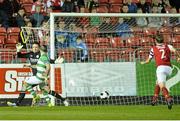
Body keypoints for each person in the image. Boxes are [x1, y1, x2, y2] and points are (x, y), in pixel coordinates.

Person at [7, 42, 68, 107]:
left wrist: (56, 61)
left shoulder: (42, 55)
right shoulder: (30, 54)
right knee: (28, 88)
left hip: (40, 77)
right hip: (35, 76)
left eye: (36, 47)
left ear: (39, 48)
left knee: (30, 87)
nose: (35, 48)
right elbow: (20, 56)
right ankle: (18, 103)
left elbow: (49, 61)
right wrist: (18, 50)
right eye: (33, 47)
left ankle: (33, 98)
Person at [141, 34, 180, 110]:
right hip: (169, 68)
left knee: (162, 86)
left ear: (155, 41)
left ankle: (168, 98)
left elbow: (148, 60)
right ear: (163, 40)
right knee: (158, 83)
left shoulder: (153, 48)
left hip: (160, 68)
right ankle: (154, 99)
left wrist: (143, 62)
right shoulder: (168, 46)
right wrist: (179, 57)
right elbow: (175, 51)